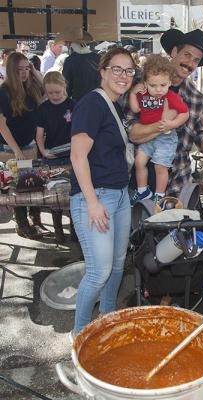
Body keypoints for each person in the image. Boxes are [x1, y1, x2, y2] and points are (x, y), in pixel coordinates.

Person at [69, 47, 134, 335]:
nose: (123, 75)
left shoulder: (115, 104)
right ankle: (80, 335)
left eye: (129, 70)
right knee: (98, 272)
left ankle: (107, 317)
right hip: (96, 197)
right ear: (103, 71)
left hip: (120, 195)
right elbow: (77, 157)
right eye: (117, 69)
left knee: (117, 265)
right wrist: (92, 203)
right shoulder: (92, 104)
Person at [128, 28, 203, 196]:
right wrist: (164, 124)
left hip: (178, 186)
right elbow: (132, 134)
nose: (190, 63)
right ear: (174, 52)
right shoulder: (143, 87)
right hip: (142, 185)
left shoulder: (197, 100)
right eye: (187, 55)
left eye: (196, 60)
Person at [128, 54, 189, 204]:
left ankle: (160, 195)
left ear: (169, 82)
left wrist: (171, 124)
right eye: (153, 85)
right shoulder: (143, 95)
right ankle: (143, 191)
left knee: (160, 167)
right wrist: (133, 93)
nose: (158, 90)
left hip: (166, 138)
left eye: (162, 85)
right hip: (149, 137)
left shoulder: (171, 96)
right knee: (139, 162)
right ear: (146, 82)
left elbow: (184, 113)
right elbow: (135, 108)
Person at [0, 52, 45, 239]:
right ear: (11, 70)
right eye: (20, 69)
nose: (24, 72)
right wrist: (16, 150)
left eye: (27, 68)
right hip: (12, 149)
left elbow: (45, 85)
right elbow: (1, 124)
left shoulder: (31, 87)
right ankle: (23, 225)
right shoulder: (4, 92)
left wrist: (34, 71)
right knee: (19, 189)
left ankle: (35, 219)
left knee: (32, 186)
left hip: (29, 145)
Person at [35, 71, 75, 243]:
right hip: (52, 155)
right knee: (53, 195)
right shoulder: (43, 108)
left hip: (72, 154)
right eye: (50, 93)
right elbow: (39, 133)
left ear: (64, 87)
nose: (54, 96)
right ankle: (58, 228)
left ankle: (75, 229)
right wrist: (43, 151)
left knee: (74, 193)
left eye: (57, 92)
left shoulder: (73, 105)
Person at [62, 28, 101, 101]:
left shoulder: (70, 60)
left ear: (69, 43)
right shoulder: (99, 58)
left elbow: (67, 88)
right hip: (98, 100)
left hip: (79, 102)